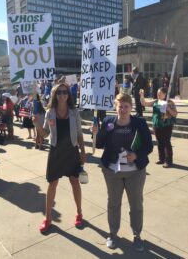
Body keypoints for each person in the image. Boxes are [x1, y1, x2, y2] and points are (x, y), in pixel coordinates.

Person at [93, 93, 153, 251]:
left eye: (126, 106)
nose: (123, 109)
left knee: (136, 204)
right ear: (115, 106)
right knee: (113, 203)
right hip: (112, 171)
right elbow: (99, 144)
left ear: (131, 107)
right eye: (120, 106)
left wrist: (137, 155)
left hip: (135, 172)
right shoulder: (108, 122)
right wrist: (96, 132)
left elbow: (149, 146)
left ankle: (137, 235)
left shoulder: (139, 123)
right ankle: (113, 233)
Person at [36, 83, 86, 233]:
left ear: (69, 95)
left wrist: (83, 151)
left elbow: (79, 133)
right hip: (56, 151)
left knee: (74, 181)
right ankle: (48, 218)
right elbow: (45, 134)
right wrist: (36, 124)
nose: (62, 95)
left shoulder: (73, 112)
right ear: (54, 95)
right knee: (52, 184)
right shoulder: (50, 112)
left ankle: (79, 213)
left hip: (71, 151)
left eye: (65, 92)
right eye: (59, 92)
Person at [140, 87, 177, 168]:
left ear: (165, 94)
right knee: (159, 142)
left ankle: (168, 161)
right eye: (157, 93)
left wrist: (169, 109)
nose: (158, 94)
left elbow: (175, 114)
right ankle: (161, 158)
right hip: (156, 124)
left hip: (167, 125)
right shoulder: (156, 101)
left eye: (160, 93)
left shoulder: (169, 102)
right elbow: (144, 103)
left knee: (166, 142)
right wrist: (142, 96)